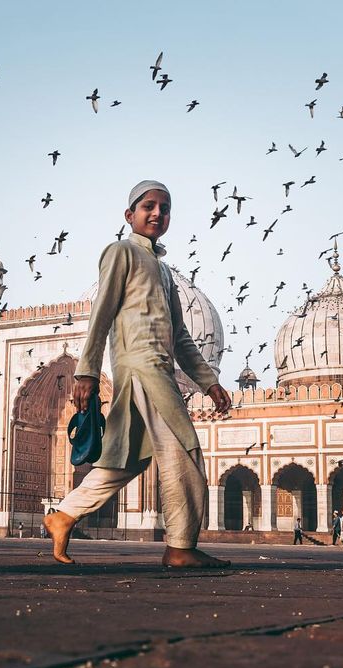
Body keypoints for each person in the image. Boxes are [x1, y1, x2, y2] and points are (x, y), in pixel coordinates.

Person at [44, 181, 232, 568]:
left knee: (124, 459)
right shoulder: (121, 252)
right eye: (148, 206)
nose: (157, 213)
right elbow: (103, 311)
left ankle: (63, 516)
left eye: (165, 208)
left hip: (159, 367)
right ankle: (180, 548)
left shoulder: (164, 273)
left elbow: (180, 336)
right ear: (130, 215)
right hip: (143, 368)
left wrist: (208, 381)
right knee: (185, 452)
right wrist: (87, 372)